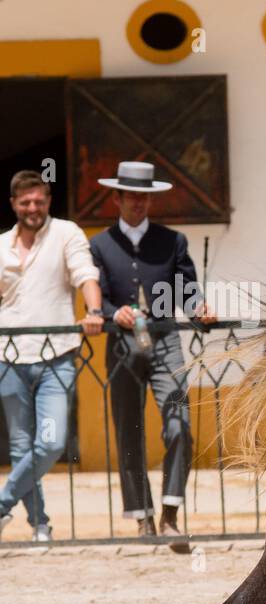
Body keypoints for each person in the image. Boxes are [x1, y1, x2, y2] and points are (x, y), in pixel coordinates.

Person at [89, 161, 216, 553]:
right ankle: (142, 515)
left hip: (165, 341)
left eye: (144, 197)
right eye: (131, 197)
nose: (138, 203)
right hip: (122, 345)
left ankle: (171, 515)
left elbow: (187, 289)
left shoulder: (172, 241)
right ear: (118, 198)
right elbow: (99, 296)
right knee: (129, 427)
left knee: (179, 424)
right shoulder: (98, 245)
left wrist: (199, 309)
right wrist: (113, 313)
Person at [0, 170, 104, 542]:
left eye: (39, 201)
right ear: (14, 204)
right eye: (25, 202)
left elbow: (85, 275)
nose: (33, 208)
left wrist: (94, 312)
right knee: (21, 446)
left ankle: (2, 503)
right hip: (8, 357)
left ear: (47, 201)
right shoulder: (1, 246)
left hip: (55, 356)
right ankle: (40, 524)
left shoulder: (66, 233)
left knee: (51, 441)